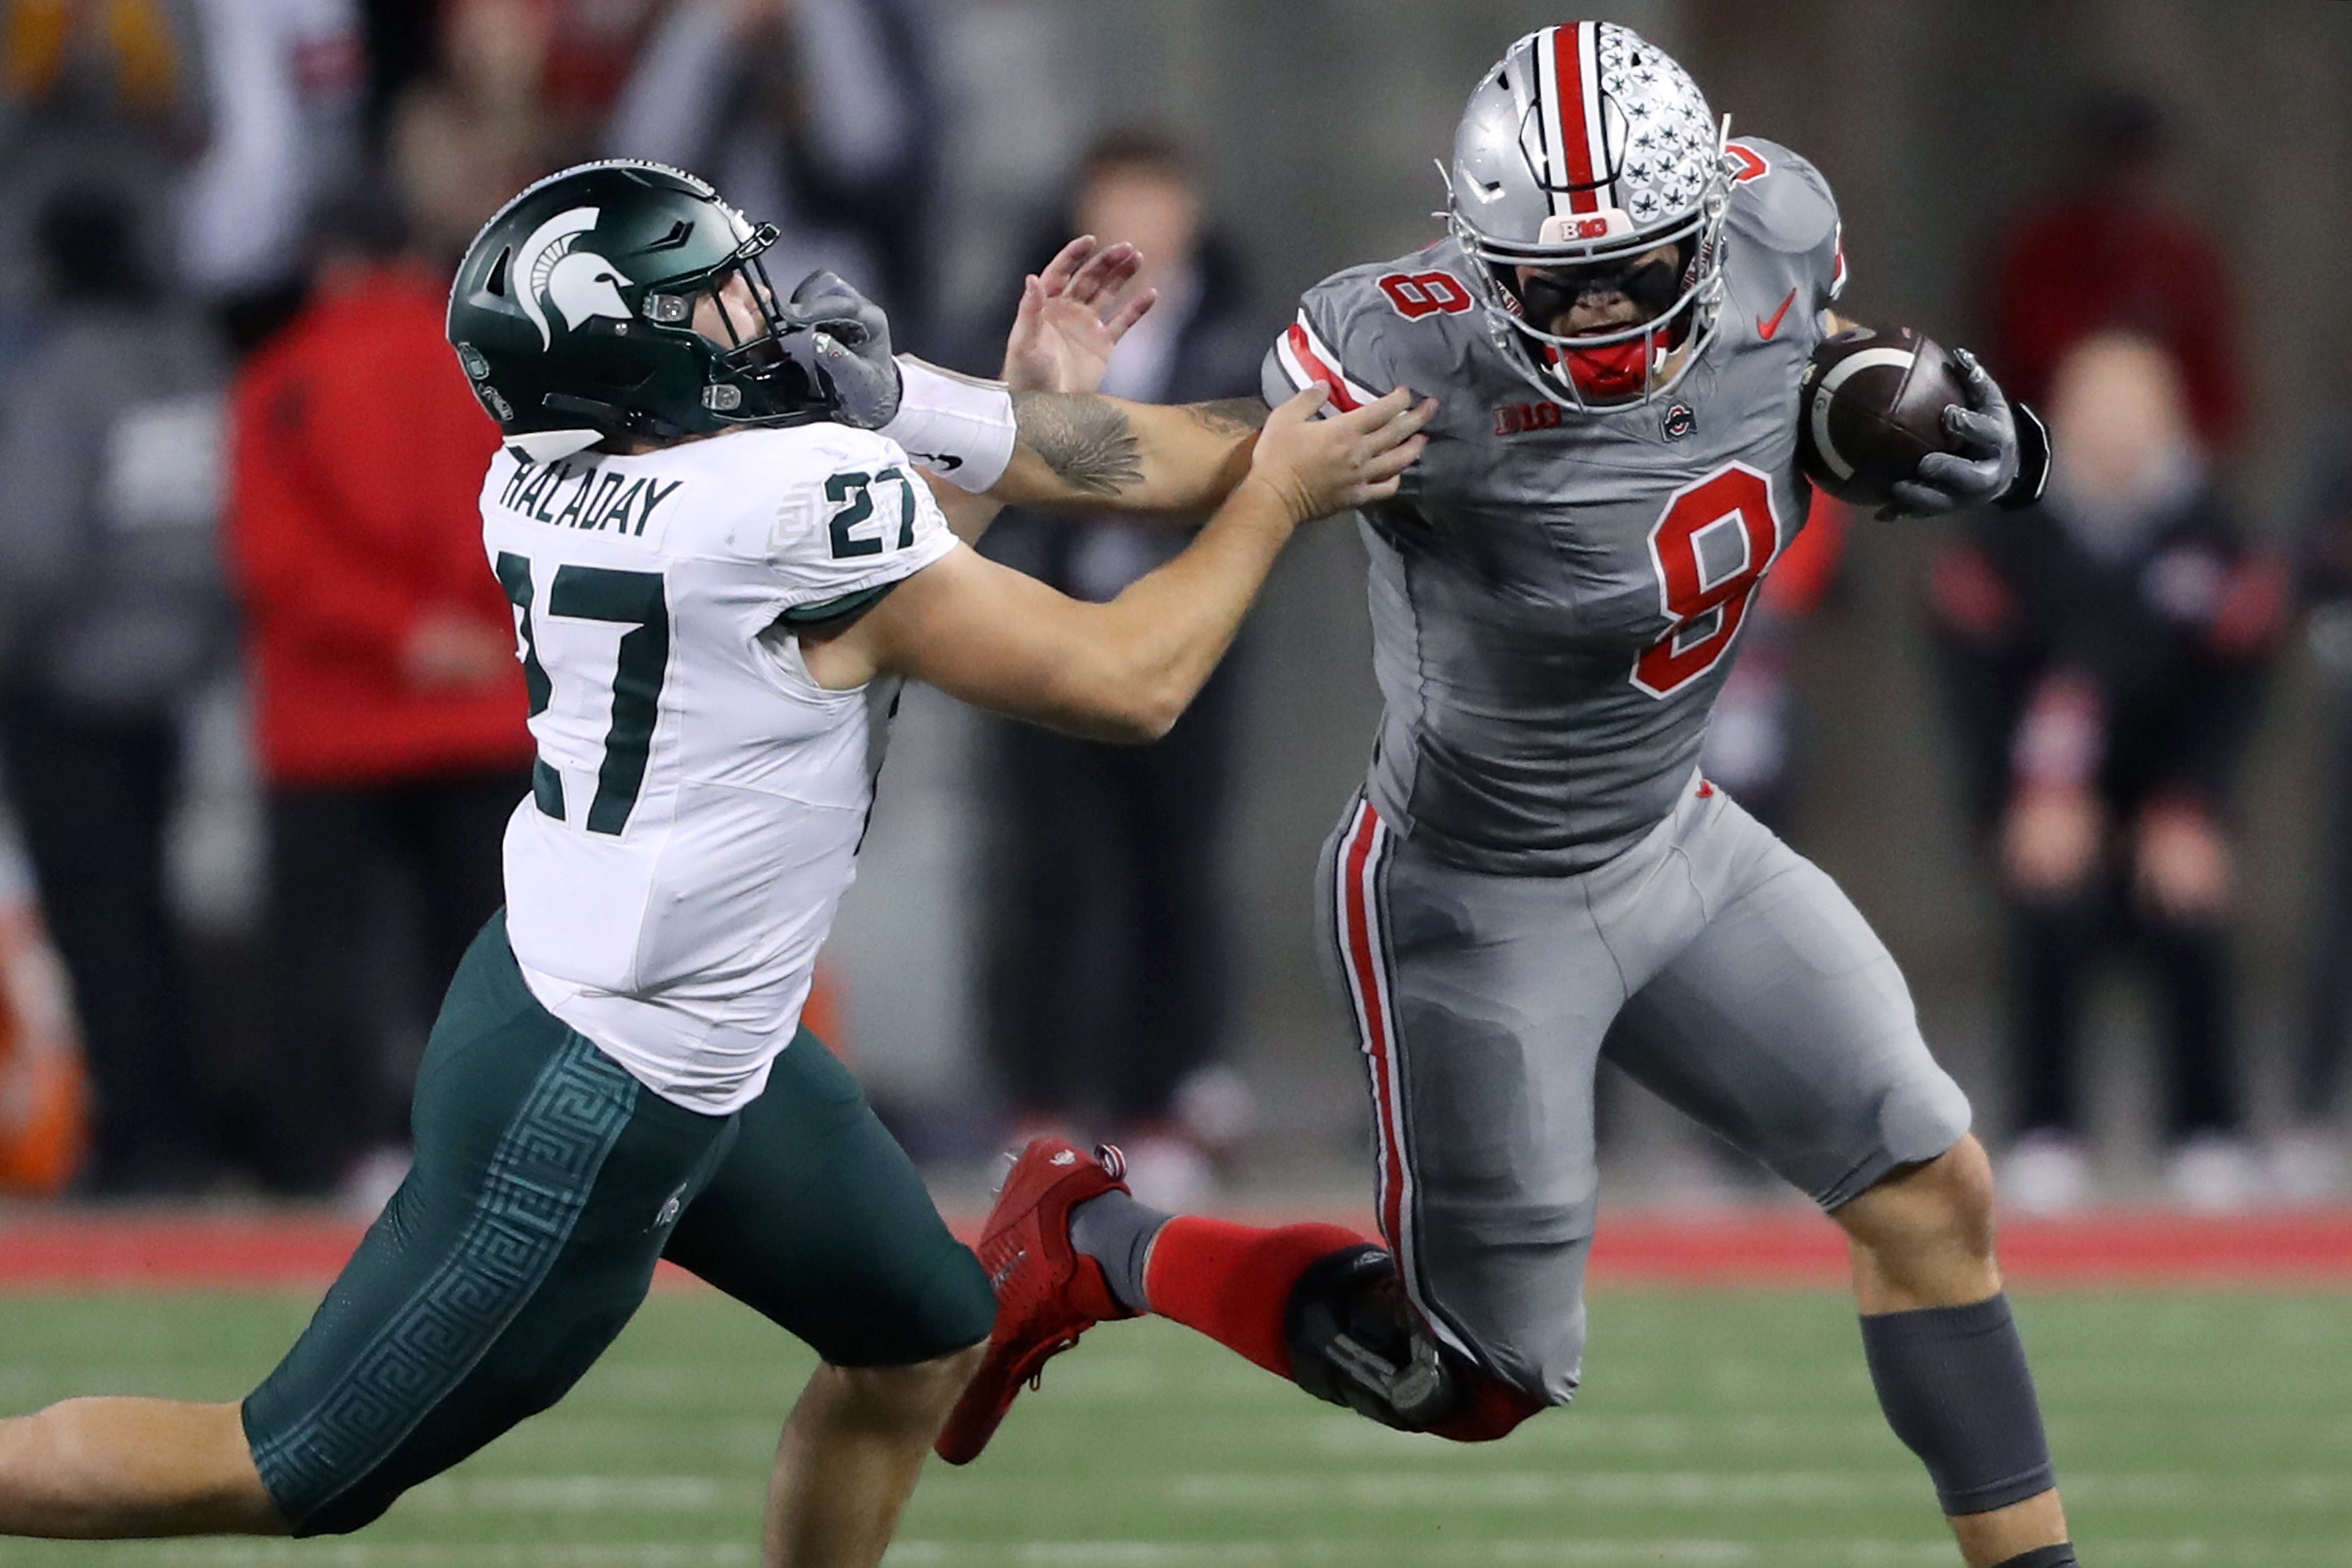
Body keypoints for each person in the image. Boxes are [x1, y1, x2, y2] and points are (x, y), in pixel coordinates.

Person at [0, 159, 1428, 1565]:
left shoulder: (548, 468)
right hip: (600, 1085)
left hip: (668, 1017)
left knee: (919, 1329)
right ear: (624, 352)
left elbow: (868, 616)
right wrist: (1274, 499)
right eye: (710, 300)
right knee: (283, 1464)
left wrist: (1024, 411)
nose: (760, 313)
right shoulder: (781, 496)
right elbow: (1129, 678)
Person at [928, 25, 2085, 1568]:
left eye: (1631, 267)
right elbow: (1190, 453)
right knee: (1466, 1376)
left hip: (1677, 842)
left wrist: (1966, 424)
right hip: (1470, 892)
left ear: (1704, 225)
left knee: (1928, 1184)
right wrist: (1004, 420)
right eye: (1550, 279)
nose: (1594, 309)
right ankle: (1093, 1240)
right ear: (1478, 256)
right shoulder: (1413, 355)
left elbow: (1814, 340)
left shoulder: (1776, 228)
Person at [975, 129, 1275, 1204]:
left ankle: (1163, 1098)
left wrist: (1089, 462)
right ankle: (1044, 1095)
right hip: (1042, 631)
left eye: (1154, 196)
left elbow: (1253, 470)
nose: (1139, 220)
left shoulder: (1249, 337)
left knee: (1171, 872)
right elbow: (978, 459)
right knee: (1047, 871)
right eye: (1116, 196)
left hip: (1178, 635)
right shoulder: (1020, 322)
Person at [225, 190, 537, 1202]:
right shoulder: (504, 377)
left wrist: (398, 637)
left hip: (332, 721)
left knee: (323, 960)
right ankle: (503, 1155)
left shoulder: (284, 376)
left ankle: (324, 1161)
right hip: (487, 706)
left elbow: (272, 556)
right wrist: (474, 636)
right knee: (495, 960)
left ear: (330, 262)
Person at [1931, 332, 2279, 1213]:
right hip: (2046, 795)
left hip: (2168, 793)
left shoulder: (2211, 533)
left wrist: (2190, 803)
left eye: (2139, 404)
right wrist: (2029, 798)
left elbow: (2235, 687)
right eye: (2100, 403)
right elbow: (1977, 678)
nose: (2120, 426)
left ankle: (2207, 1128)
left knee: (2188, 914)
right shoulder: (2013, 528)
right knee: (2050, 909)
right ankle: (2047, 1126)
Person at [0, 183, 230, 1196]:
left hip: (71, 683)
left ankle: (133, 1136)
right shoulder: (192, 359)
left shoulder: (66, 374)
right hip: (177, 675)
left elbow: (33, 547)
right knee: (156, 913)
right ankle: (171, 1122)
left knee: (97, 924)